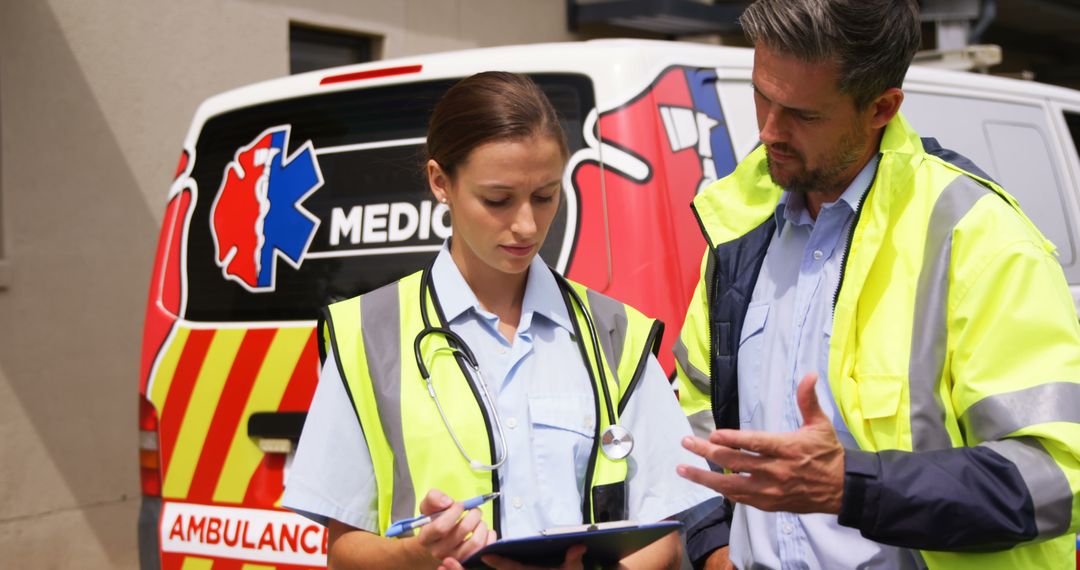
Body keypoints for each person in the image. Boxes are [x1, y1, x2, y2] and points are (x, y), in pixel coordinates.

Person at [672, 0, 1080, 568]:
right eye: (762, 94)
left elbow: (1058, 477)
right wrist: (712, 545)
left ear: (882, 108)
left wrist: (853, 485)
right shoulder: (738, 225)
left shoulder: (977, 235)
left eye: (803, 114)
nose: (768, 130)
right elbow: (691, 416)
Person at [282, 71, 715, 570]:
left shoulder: (616, 333)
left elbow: (665, 524)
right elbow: (343, 550)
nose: (528, 225)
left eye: (546, 195)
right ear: (440, 182)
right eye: (498, 200)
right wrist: (417, 556)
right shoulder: (367, 334)